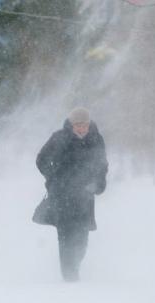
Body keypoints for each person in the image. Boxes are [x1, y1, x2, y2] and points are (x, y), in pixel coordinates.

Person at [35, 106, 108, 282]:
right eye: (78, 125)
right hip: (62, 196)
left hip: (85, 196)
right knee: (65, 236)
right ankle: (69, 277)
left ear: (89, 125)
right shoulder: (59, 138)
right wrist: (53, 178)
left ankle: (74, 268)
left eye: (84, 125)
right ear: (71, 125)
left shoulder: (96, 139)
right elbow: (41, 159)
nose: (81, 128)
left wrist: (99, 183)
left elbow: (102, 165)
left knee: (82, 240)